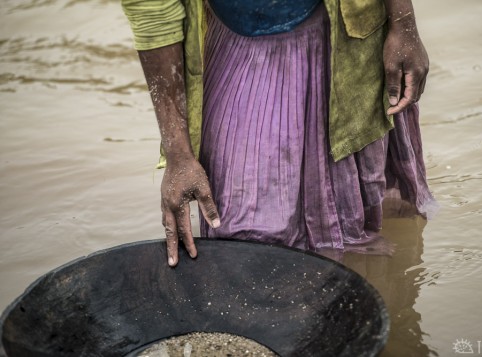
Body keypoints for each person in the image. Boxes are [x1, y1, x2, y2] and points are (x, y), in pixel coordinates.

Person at [121, 0, 438, 267]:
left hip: (352, 50)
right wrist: (179, 154)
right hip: (242, 47)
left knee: (370, 228)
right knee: (246, 244)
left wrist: (403, 23)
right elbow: (151, 8)